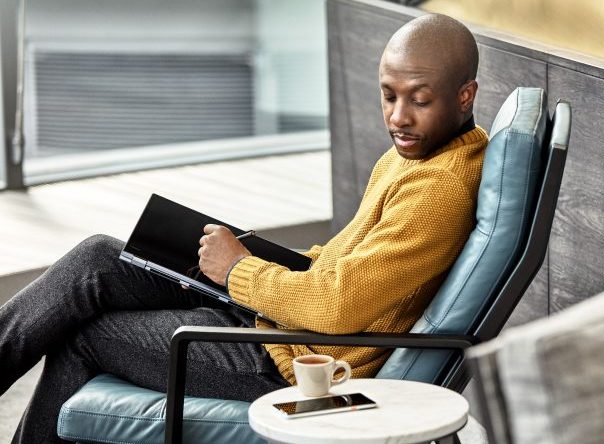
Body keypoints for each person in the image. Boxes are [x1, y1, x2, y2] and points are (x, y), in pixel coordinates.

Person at [0, 13, 486, 443]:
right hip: (278, 321)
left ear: (464, 96)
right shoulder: (417, 155)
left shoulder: (438, 189)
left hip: (288, 361)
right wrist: (257, 254)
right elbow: (343, 264)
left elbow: (338, 305)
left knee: (83, 334)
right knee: (99, 257)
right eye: (388, 95)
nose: (398, 116)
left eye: (418, 100)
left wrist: (240, 271)